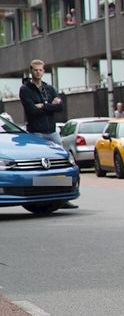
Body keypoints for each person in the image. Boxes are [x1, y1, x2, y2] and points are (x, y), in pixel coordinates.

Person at [19, 60, 77, 208]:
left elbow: (60, 107)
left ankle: (62, 197)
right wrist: (50, 105)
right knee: (41, 167)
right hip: (36, 134)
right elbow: (32, 111)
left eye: (41, 70)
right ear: (31, 70)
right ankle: (41, 197)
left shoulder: (49, 88)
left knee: (61, 165)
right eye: (36, 70)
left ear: (44, 71)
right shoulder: (25, 89)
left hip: (52, 132)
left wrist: (43, 105)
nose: (39, 72)